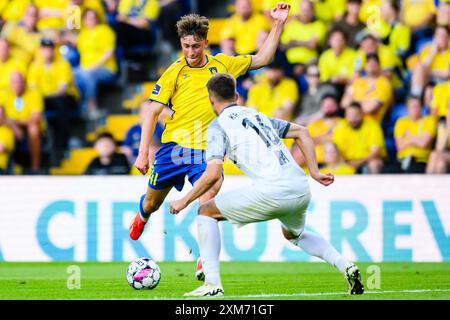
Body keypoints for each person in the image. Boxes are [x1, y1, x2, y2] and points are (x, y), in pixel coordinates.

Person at [128, 4, 291, 280]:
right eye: (185, 46)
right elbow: (152, 111)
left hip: (207, 151)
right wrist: (143, 153)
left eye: (195, 46)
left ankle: (205, 260)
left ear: (205, 42)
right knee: (153, 203)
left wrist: (278, 25)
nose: (190, 52)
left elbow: (262, 58)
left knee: (208, 203)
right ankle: (142, 215)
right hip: (174, 150)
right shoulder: (175, 72)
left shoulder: (223, 65)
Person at [169, 73, 364, 297]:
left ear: (210, 100)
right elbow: (302, 131)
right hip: (300, 187)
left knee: (205, 211)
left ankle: (212, 284)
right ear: (236, 96)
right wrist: (315, 172)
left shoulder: (218, 126)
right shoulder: (257, 116)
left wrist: (184, 200)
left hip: (274, 190)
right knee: (294, 234)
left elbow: (213, 174)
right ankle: (345, 265)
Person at [332, 102, 385, 174]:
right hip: (347, 162)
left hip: (367, 161)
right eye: (350, 115)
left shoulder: (372, 126)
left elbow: (375, 152)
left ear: (362, 114)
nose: (353, 118)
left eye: (356, 115)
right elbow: (336, 150)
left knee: (374, 163)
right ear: (345, 116)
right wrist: (346, 162)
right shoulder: (340, 127)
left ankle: (374, 185)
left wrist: (358, 162)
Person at [394, 95, 436, 173]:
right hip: (402, 159)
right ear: (407, 109)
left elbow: (423, 144)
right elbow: (400, 146)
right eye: (412, 107)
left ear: (421, 107)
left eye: (417, 106)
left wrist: (410, 137)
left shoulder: (429, 121)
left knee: (412, 170)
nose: (415, 109)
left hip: (420, 160)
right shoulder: (401, 122)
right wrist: (417, 138)